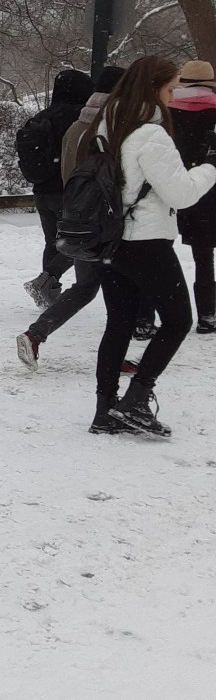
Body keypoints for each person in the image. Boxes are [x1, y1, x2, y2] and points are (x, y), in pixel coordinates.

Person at [82, 56, 216, 437]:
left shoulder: (107, 123)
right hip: (146, 241)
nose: (174, 95)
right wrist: (211, 165)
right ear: (154, 87)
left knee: (119, 323)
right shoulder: (151, 135)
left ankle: (105, 409)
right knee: (178, 321)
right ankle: (137, 399)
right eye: (171, 88)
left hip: (110, 239)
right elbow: (182, 193)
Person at [22, 68, 95, 308]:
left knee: (52, 242)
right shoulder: (80, 118)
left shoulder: (42, 117)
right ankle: (48, 279)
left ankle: (47, 291)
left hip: (42, 190)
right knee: (80, 241)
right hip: (70, 189)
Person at [167, 60, 216, 334]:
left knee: (157, 251)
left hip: (170, 185)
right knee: (204, 256)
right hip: (208, 189)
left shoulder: (166, 112)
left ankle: (145, 318)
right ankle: (207, 315)